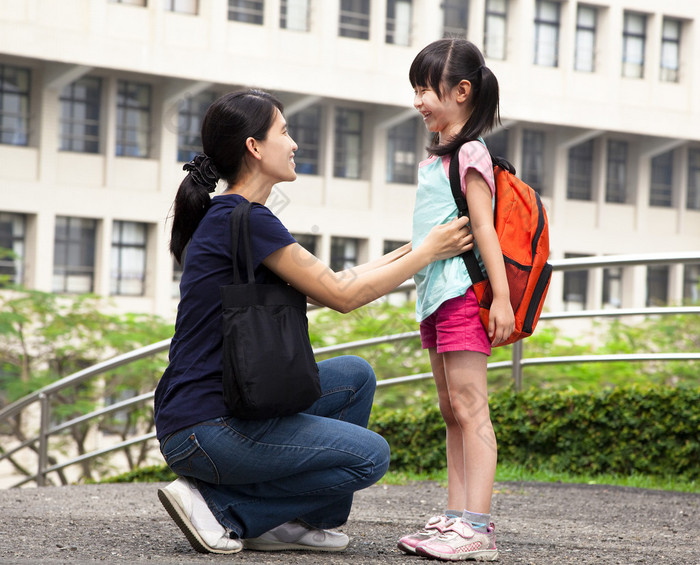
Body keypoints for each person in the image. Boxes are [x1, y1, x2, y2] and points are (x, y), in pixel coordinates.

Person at [154, 89, 474, 555]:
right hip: (206, 427)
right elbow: (343, 296)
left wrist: (416, 248)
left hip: (207, 416)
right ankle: (222, 509)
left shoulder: (238, 218)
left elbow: (332, 283)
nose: (294, 143)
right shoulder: (244, 219)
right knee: (371, 456)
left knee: (353, 378)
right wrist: (429, 252)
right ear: (254, 147)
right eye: (284, 132)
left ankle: (296, 522)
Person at [395, 39, 515, 562]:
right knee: (451, 410)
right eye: (415, 89)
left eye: (426, 88)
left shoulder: (470, 152)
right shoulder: (436, 156)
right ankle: (456, 517)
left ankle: (477, 528)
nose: (419, 100)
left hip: (464, 296)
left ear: (461, 91)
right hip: (435, 298)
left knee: (471, 408)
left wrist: (502, 300)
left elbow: (485, 228)